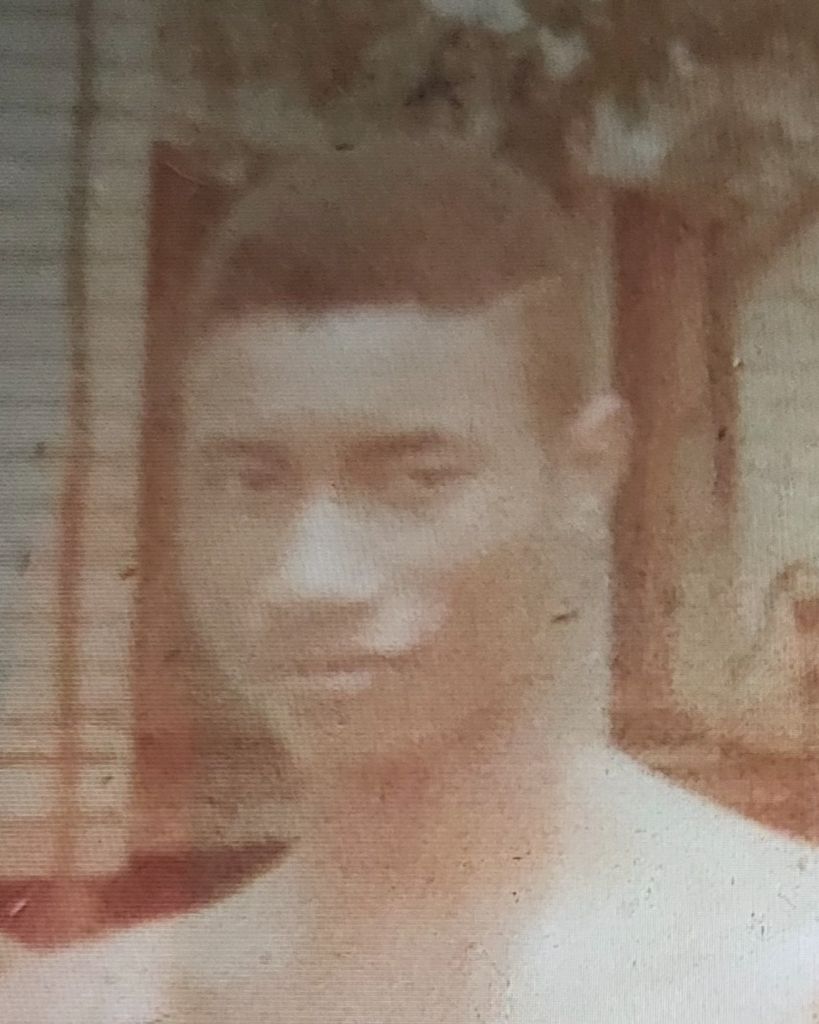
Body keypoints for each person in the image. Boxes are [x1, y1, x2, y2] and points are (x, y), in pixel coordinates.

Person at [1, 136, 817, 1023]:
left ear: (586, 473)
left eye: (414, 479)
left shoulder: (776, 969)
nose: (309, 578)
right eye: (251, 480)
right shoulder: (82, 1007)